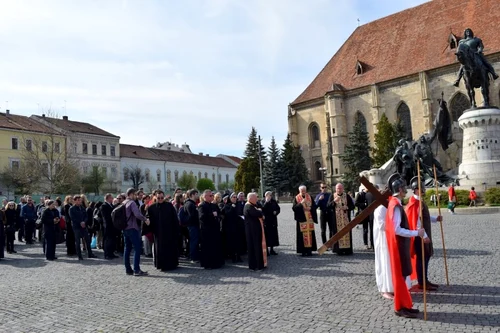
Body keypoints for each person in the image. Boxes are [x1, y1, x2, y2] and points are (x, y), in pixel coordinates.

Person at [385, 173, 425, 318]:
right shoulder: (395, 205)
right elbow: (396, 229)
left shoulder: (395, 203)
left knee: (402, 277)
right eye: (404, 188)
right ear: (400, 190)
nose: (406, 190)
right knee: (401, 277)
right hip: (399, 246)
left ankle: (405, 305)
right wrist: (416, 233)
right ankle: (400, 307)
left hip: (400, 246)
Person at [405, 177, 442, 291]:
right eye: (421, 188)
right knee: (422, 259)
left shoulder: (420, 201)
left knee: (426, 258)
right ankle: (422, 282)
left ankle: (425, 280)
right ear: (416, 189)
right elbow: (416, 222)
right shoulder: (415, 203)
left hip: (424, 234)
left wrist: (436, 218)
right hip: (420, 237)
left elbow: (424, 217)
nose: (424, 190)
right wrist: (424, 236)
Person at [147, 190, 180, 271]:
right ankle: (161, 265)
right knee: (159, 249)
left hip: (169, 231)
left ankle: (172, 264)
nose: (160, 199)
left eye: (162, 197)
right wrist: (147, 221)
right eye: (159, 198)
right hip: (158, 232)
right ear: (155, 197)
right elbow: (147, 218)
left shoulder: (169, 206)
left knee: (170, 248)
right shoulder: (152, 208)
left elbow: (175, 218)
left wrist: (176, 229)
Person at [123, 188, 150, 276]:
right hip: (132, 228)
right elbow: (137, 214)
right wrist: (145, 219)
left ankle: (128, 269)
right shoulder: (132, 203)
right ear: (132, 194)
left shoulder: (123, 202)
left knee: (127, 249)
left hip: (125, 228)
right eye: (135, 194)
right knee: (137, 248)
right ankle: (136, 270)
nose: (136, 196)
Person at [373, 185, 394, 300]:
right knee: (384, 263)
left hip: (389, 239)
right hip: (383, 240)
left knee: (390, 264)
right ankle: (384, 289)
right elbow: (381, 225)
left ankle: (391, 287)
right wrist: (394, 224)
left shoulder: (387, 206)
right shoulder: (380, 208)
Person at [198, 190, 224, 269]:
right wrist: (212, 215)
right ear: (205, 197)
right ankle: (208, 264)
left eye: (212, 195)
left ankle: (217, 263)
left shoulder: (214, 205)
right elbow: (202, 217)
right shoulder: (202, 206)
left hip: (215, 229)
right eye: (210, 196)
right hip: (207, 230)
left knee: (216, 246)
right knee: (208, 248)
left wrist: (218, 217)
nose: (212, 197)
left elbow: (219, 214)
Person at [328, 183, 355, 255]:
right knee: (337, 233)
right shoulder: (332, 196)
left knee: (347, 233)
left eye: (340, 188)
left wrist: (347, 207)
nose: (339, 190)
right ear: (335, 189)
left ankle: (347, 249)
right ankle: (338, 250)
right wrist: (334, 201)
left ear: (343, 189)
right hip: (336, 220)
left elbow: (352, 206)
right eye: (337, 188)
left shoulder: (347, 196)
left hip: (346, 219)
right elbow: (328, 206)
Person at [69, 195, 97, 260]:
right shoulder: (72, 209)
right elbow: (73, 218)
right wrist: (80, 222)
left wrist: (84, 222)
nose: (79, 201)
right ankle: (79, 255)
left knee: (87, 240)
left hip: (84, 226)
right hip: (76, 227)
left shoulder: (82, 208)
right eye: (78, 200)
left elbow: (86, 216)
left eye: (80, 200)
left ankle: (90, 253)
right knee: (78, 241)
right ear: (74, 201)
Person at [292, 185, 318, 257]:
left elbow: (315, 206)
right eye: (301, 191)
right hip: (302, 219)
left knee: (310, 234)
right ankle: (303, 251)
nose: (303, 192)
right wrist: (300, 204)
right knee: (302, 235)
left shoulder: (309, 197)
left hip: (309, 220)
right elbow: (294, 208)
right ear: (299, 191)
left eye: (304, 190)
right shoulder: (297, 198)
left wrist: (310, 208)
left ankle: (309, 250)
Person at [244, 192, 267, 271]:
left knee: (257, 247)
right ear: (250, 199)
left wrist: (260, 212)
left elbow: (261, 211)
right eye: (255, 198)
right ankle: (255, 265)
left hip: (255, 230)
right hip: (252, 231)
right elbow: (257, 213)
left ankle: (259, 264)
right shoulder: (248, 206)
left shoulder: (253, 205)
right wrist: (260, 212)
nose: (257, 199)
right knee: (254, 248)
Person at [223, 193, 244, 263]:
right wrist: (232, 207)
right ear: (230, 198)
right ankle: (233, 257)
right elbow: (227, 214)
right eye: (233, 197)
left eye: (235, 197)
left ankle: (238, 256)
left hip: (238, 226)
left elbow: (240, 212)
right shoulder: (227, 205)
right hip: (230, 227)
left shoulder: (238, 205)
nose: (235, 198)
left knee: (239, 242)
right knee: (232, 243)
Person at [184, 189, 200, 263]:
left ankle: (194, 256)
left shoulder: (191, 203)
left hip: (193, 225)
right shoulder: (190, 204)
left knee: (194, 241)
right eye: (196, 194)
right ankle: (193, 257)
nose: (197, 195)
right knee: (194, 241)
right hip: (192, 225)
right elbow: (192, 216)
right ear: (192, 195)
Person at [262, 191, 280, 255]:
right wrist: (266, 202)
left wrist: (276, 212)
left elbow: (278, 208)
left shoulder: (273, 201)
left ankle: (272, 249)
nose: (270, 196)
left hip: (273, 221)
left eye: (270, 195)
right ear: (265, 196)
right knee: (267, 236)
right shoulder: (263, 201)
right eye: (268, 195)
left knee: (273, 236)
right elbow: (263, 209)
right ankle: (266, 250)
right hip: (266, 221)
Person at [101, 193, 118, 260]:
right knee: (107, 240)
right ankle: (107, 254)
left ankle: (111, 253)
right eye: (111, 198)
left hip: (112, 226)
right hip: (107, 225)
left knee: (112, 240)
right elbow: (106, 216)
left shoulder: (111, 205)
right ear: (108, 198)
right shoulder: (104, 206)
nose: (112, 199)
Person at [355, 185, 372, 250]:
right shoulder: (360, 194)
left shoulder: (370, 194)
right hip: (363, 213)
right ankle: (366, 244)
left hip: (370, 214)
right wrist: (363, 204)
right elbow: (356, 203)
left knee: (371, 229)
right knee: (365, 230)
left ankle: (372, 243)